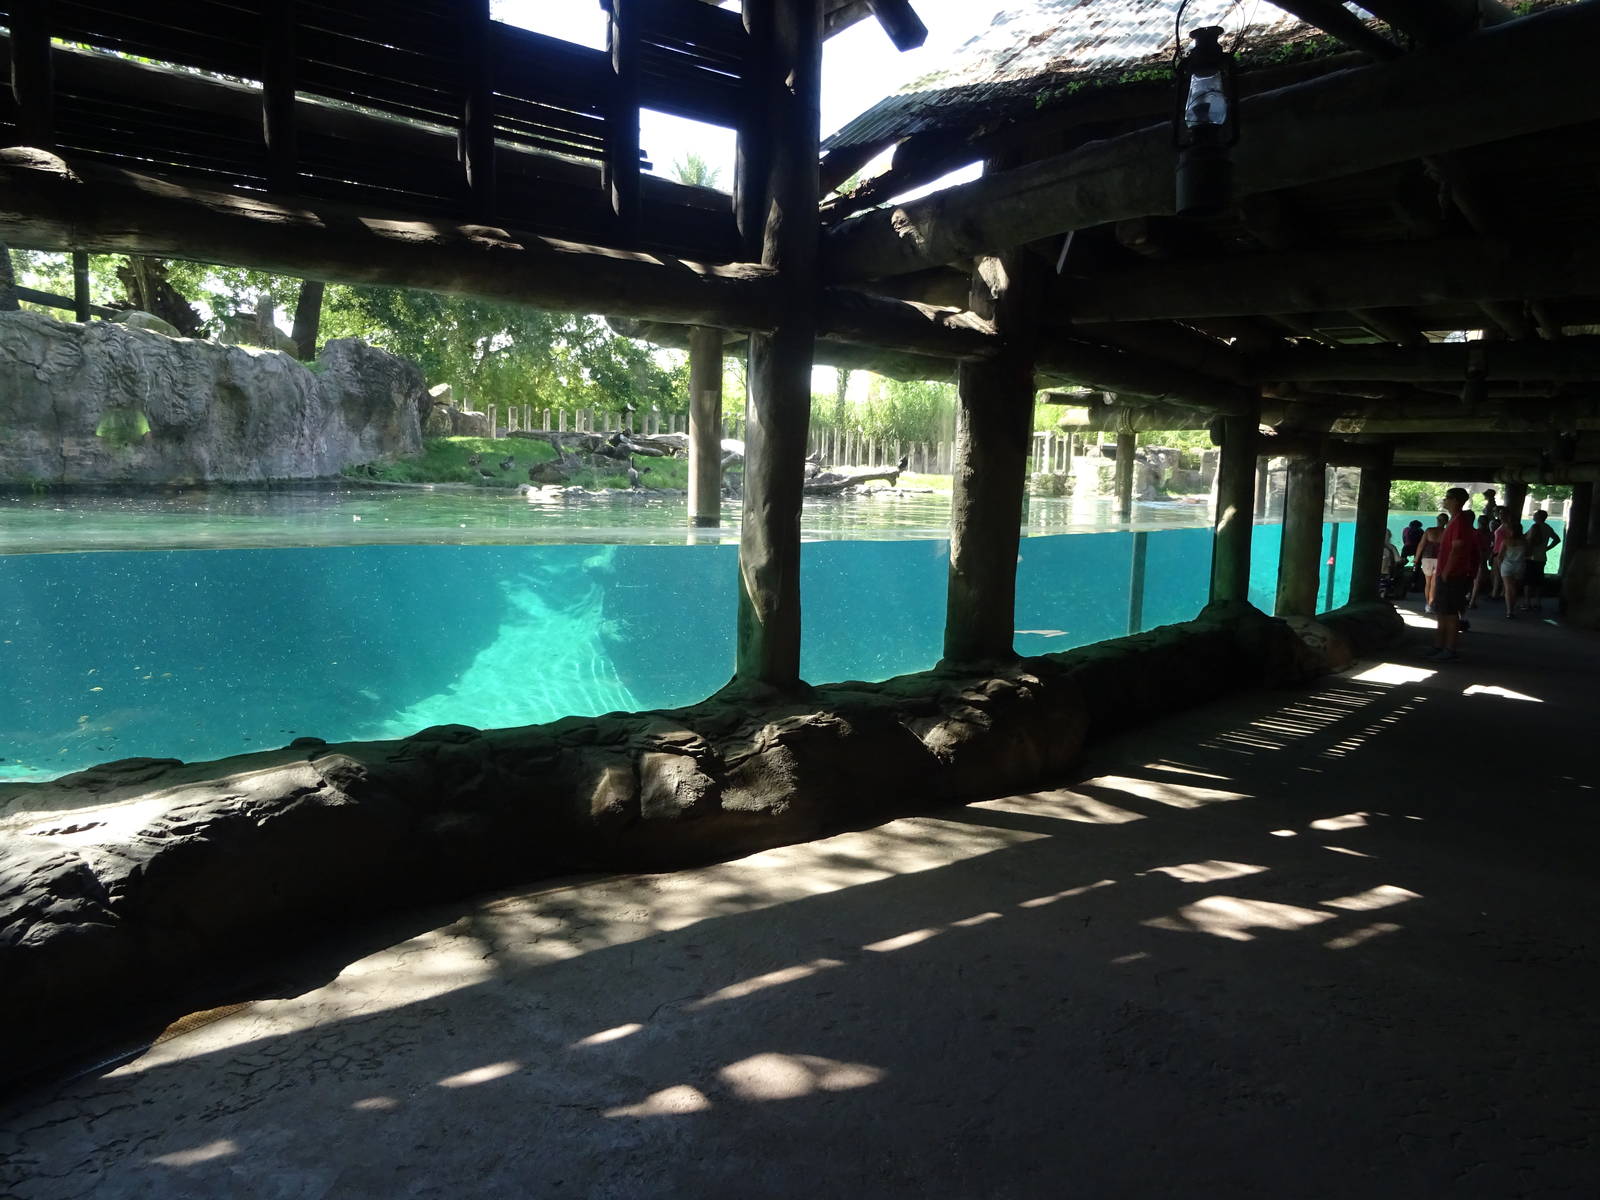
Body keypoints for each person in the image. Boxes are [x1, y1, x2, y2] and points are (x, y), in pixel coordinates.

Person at [1426, 488, 1476, 661]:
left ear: (1455, 501)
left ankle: (1450, 648)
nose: (1444, 500)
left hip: (1453, 575)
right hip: (1447, 573)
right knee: (1442, 611)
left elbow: (1457, 549)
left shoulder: (1460, 521)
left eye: (1447, 498)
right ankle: (1439, 645)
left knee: (1451, 613)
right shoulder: (1455, 520)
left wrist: (1446, 572)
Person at [1523, 509, 1562, 611]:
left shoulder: (1534, 527)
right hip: (1542, 558)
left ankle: (1527, 603)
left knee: (1528, 581)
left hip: (1531, 557)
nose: (1533, 516)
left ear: (1538, 517)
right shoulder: (1547, 527)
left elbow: (1528, 540)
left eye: (1535, 514)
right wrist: (1547, 548)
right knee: (1539, 582)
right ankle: (1538, 602)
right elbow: (1557, 539)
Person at [1497, 521, 1527, 617]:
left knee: (1508, 589)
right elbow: (1528, 553)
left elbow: (1500, 556)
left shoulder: (1505, 541)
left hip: (1507, 566)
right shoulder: (1524, 542)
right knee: (1514, 589)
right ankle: (1512, 608)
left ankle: (1509, 611)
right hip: (1519, 566)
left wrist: (1500, 567)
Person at [1416, 516, 1444, 611]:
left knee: (1427, 583)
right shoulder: (1446, 532)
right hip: (1440, 559)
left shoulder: (1429, 530)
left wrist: (1416, 559)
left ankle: (1427, 604)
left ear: (1437, 520)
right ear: (1446, 521)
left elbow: (1421, 545)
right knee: (1434, 584)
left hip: (1427, 558)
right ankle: (1431, 604)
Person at [1468, 512, 1494, 609]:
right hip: (1483, 558)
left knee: (1474, 579)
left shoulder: (1475, 533)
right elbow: (1491, 547)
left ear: (1478, 522)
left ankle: (1470, 599)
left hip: (1474, 557)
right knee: (1477, 580)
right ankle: (1472, 600)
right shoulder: (1490, 534)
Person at [1379, 528, 1401, 599]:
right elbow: (1398, 559)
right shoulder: (1391, 547)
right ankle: (1381, 597)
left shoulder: (1372, 546)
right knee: (1383, 586)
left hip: (1374, 571)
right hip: (1386, 571)